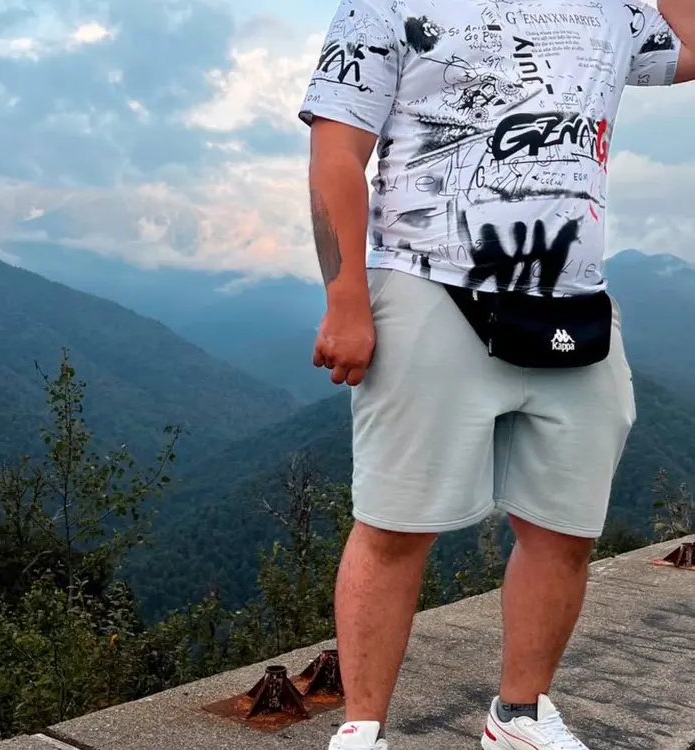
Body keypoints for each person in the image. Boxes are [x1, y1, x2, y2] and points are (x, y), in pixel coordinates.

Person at [297, 0, 695, 748]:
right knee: (395, 524)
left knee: (565, 528)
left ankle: (519, 717)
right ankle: (362, 729)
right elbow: (337, 153)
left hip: (573, 299)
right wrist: (346, 299)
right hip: (426, 280)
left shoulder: (612, 10)